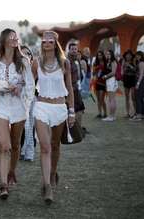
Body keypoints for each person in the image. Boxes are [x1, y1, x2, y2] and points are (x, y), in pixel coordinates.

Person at [0, 28, 35, 199]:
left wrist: (20, 90)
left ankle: (11, 171)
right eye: (11, 37)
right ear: (4, 41)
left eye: (16, 37)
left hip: (18, 107)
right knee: (5, 146)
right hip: (1, 106)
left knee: (15, 144)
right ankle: (3, 185)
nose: (15, 39)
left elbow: (30, 85)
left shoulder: (23, 61)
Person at [32, 31, 74, 204]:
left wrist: (71, 111)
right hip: (41, 107)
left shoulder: (65, 63)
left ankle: (52, 173)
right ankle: (47, 186)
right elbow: (29, 84)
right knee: (45, 147)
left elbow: (70, 88)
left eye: (51, 40)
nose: (47, 42)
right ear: (42, 43)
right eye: (44, 40)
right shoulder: (36, 63)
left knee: (55, 145)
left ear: (55, 43)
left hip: (59, 108)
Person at [20, 45, 36, 162]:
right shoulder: (17, 69)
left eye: (28, 54)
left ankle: (28, 153)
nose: (26, 56)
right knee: (24, 126)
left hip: (33, 100)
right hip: (20, 99)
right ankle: (22, 150)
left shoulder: (35, 67)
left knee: (30, 127)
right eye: (24, 54)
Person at [68, 43, 85, 128]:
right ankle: (76, 129)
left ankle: (78, 128)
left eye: (75, 49)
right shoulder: (67, 61)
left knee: (79, 109)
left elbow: (79, 75)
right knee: (78, 108)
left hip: (77, 87)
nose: (74, 51)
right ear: (69, 50)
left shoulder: (77, 60)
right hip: (71, 88)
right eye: (72, 49)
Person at [102, 50, 118, 121]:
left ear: (112, 55)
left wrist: (105, 76)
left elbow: (113, 72)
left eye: (109, 54)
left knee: (111, 99)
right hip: (110, 81)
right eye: (106, 54)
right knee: (112, 99)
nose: (107, 55)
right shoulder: (108, 62)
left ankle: (111, 116)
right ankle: (112, 115)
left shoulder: (113, 62)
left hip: (112, 80)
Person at [130, 51, 144, 121]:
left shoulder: (141, 63)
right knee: (140, 98)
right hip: (139, 81)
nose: (137, 57)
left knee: (138, 98)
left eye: (139, 56)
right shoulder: (138, 62)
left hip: (141, 81)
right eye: (136, 55)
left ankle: (139, 115)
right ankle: (142, 114)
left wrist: (138, 83)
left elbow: (141, 74)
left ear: (141, 56)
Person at [121, 50, 136, 117]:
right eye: (127, 55)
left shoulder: (134, 61)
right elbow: (122, 70)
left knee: (133, 97)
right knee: (127, 97)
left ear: (131, 56)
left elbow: (136, 69)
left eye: (129, 55)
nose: (128, 56)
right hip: (126, 79)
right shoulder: (124, 61)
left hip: (133, 79)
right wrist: (122, 71)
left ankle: (135, 111)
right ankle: (127, 112)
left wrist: (129, 65)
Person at [92, 51, 107, 118]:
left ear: (103, 56)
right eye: (98, 55)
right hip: (97, 82)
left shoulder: (105, 63)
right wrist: (95, 69)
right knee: (98, 99)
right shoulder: (95, 63)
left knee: (102, 99)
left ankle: (105, 113)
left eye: (100, 55)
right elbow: (93, 73)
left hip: (103, 82)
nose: (99, 56)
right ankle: (99, 113)